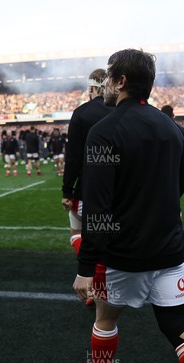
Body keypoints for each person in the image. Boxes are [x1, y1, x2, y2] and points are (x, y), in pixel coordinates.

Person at [73, 49, 184, 363]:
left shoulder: (104, 131)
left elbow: (97, 208)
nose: (105, 84)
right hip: (170, 249)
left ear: (121, 81)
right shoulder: (171, 128)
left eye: (108, 77)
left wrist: (85, 267)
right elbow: (178, 189)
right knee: (178, 328)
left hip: (123, 255)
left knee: (105, 320)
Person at [62, 69, 113, 256]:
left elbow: (73, 157)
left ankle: (91, 275)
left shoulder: (81, 113)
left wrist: (67, 191)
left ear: (92, 87)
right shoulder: (122, 111)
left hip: (88, 189)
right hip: (119, 191)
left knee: (77, 231)